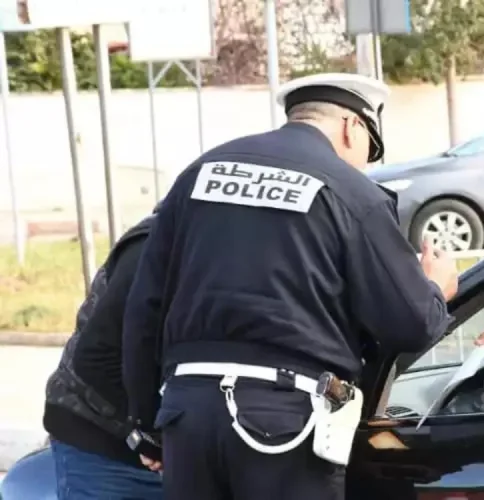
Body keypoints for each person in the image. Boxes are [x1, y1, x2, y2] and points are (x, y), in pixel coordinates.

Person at [121, 72, 459, 500]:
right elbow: (410, 323)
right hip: (283, 423)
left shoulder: (200, 173)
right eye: (367, 153)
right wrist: (435, 287)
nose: (363, 165)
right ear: (352, 127)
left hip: (189, 416)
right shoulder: (352, 192)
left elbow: (144, 308)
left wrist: (147, 422)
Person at [42, 211, 162, 500]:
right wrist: (153, 438)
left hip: (172, 450)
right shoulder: (153, 246)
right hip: (100, 446)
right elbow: (96, 359)